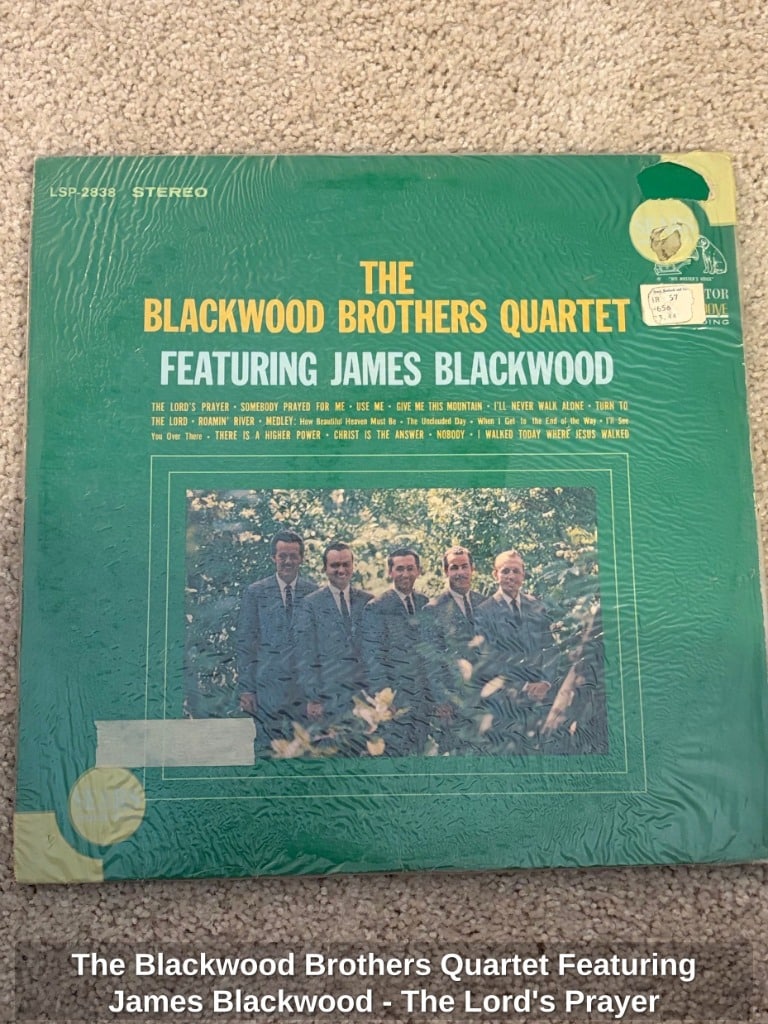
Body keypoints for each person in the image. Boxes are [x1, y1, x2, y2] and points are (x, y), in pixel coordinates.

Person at [235, 530, 317, 754]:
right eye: (282, 556)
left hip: (303, 692)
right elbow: (246, 642)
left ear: (301, 558)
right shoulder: (256, 592)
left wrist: (317, 694)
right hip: (266, 690)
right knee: (267, 751)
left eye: (293, 556)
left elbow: (319, 646)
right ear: (273, 557)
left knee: (304, 751)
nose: (288, 561)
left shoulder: (314, 593)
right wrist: (246, 689)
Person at [473, 549, 558, 753]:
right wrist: (524, 686)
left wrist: (546, 682)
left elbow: (550, 648)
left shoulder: (536, 606)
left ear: (523, 575)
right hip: (505, 701)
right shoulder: (484, 611)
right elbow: (488, 658)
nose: (510, 576)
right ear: (495, 575)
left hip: (540, 699)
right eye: (505, 571)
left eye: (516, 571)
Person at [293, 542, 374, 743]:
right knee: (331, 752)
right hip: (328, 698)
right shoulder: (311, 604)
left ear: (353, 566)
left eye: (346, 564)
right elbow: (305, 654)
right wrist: (313, 698)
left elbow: (375, 651)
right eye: (335, 565)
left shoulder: (368, 601)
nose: (341, 570)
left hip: (364, 697)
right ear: (325, 568)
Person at [360, 548, 430, 756]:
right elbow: (373, 658)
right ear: (390, 572)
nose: (405, 574)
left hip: (422, 700)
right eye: (399, 569)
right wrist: (385, 699)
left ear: (418, 571)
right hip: (394, 700)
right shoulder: (377, 607)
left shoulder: (425, 604)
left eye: (410, 568)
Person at [422, 545, 486, 749]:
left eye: (464, 566)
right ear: (446, 571)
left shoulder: (485, 603)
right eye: (454, 568)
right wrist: (441, 701)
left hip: (485, 699)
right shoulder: (433, 609)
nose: (460, 573)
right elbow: (431, 661)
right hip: (453, 702)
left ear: (472, 569)